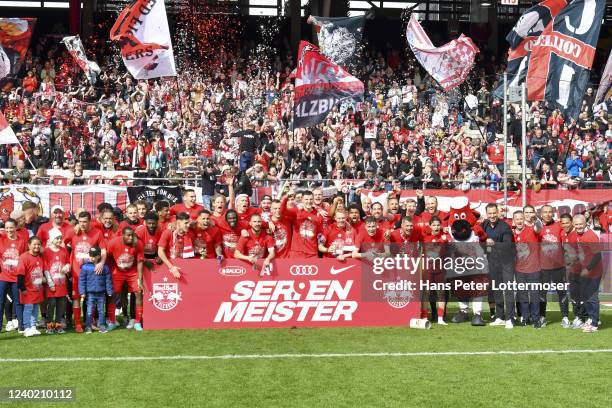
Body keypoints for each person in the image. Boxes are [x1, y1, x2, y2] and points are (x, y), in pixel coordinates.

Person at [63, 211, 107, 333]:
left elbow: (103, 250)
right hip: (77, 272)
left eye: (85, 222)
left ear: (89, 221)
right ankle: (77, 323)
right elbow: (61, 244)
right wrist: (66, 262)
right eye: (80, 222)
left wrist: (101, 263)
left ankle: (90, 322)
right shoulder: (72, 231)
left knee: (91, 298)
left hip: (92, 272)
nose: (82, 224)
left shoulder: (97, 233)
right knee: (76, 297)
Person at [566, 214, 602, 333]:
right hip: (583, 272)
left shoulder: (591, 236)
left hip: (593, 272)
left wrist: (588, 268)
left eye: (580, 224)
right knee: (586, 296)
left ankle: (595, 324)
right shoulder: (575, 235)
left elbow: (597, 255)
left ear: (585, 223)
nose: (578, 226)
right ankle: (592, 319)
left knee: (592, 297)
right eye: (576, 224)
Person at [482, 203, 516, 328]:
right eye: (489, 213)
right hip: (493, 263)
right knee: (496, 289)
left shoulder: (505, 227)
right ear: (486, 214)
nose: (492, 215)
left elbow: (507, 246)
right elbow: (477, 232)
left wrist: (492, 243)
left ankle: (510, 319)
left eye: (494, 213)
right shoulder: (484, 224)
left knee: (508, 290)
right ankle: (500, 317)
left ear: (498, 213)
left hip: (506, 262)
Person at [106, 227, 144, 331]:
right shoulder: (113, 242)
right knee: (113, 294)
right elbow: (108, 256)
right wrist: (110, 271)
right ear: (122, 235)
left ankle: (137, 322)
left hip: (132, 272)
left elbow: (140, 261)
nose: (131, 237)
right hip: (117, 271)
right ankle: (112, 321)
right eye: (128, 235)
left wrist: (140, 279)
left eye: (132, 235)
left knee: (138, 293)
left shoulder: (138, 243)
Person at [537, 205, 570, 328]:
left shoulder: (558, 226)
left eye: (550, 212)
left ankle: (565, 317)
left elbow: (566, 239)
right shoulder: (537, 227)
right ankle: (542, 317)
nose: (547, 214)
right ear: (541, 213)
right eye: (545, 212)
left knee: (562, 293)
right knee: (541, 294)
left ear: (553, 213)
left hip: (558, 267)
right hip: (542, 268)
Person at [512, 211, 542, 328]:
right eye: (517, 219)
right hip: (519, 270)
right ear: (514, 220)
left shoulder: (531, 230)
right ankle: (525, 317)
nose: (519, 221)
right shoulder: (512, 234)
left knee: (534, 295)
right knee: (523, 295)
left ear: (524, 219)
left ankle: (536, 319)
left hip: (534, 269)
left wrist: (536, 219)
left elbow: (539, 228)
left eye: (521, 219)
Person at [0, 219, 28, 334]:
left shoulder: (22, 241)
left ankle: (21, 326)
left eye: (11, 227)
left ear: (16, 227)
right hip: (3, 277)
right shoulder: (1, 239)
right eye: (6, 228)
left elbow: (24, 258)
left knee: (18, 301)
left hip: (16, 277)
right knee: (0, 301)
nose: (9, 230)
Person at [422, 216, 451, 325]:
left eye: (438, 225)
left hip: (441, 270)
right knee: (426, 293)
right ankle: (425, 317)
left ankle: (440, 318)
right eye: (434, 225)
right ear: (430, 226)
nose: (436, 227)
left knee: (441, 294)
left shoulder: (445, 238)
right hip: (428, 270)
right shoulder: (425, 238)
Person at [78, 247, 113, 334]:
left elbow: (108, 280)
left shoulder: (104, 267)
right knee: (89, 310)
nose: (92, 258)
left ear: (98, 256)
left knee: (101, 311)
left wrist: (109, 291)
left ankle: (102, 326)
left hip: (101, 293)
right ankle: (88, 326)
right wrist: (82, 292)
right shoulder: (85, 267)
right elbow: (82, 280)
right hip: (90, 294)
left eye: (94, 256)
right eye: (90, 256)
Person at [42, 228, 70, 334]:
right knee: (52, 304)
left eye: (60, 238)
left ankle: (58, 325)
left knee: (61, 304)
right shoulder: (46, 251)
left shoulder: (63, 250)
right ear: (52, 239)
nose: (59, 240)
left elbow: (68, 262)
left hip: (62, 284)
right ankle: (49, 325)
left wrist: (67, 267)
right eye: (57, 238)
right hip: (52, 284)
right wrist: (50, 283)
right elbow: (45, 269)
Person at [16, 237, 45, 337]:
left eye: (38, 244)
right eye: (34, 244)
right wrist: (22, 288)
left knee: (35, 309)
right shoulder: (23, 257)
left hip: (37, 289)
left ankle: (33, 326)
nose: (37, 246)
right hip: (27, 289)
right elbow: (20, 275)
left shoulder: (39, 257)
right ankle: (27, 327)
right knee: (28, 308)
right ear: (29, 245)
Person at [281, 190, 323, 258]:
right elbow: (282, 211)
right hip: (296, 252)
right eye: (306, 199)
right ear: (302, 200)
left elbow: (320, 234)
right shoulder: (296, 211)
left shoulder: (318, 215)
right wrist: (285, 198)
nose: (309, 201)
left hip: (312, 253)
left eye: (311, 199)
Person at [158, 212, 195, 278]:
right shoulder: (168, 233)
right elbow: (160, 251)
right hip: (169, 267)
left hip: (185, 267)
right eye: (186, 223)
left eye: (189, 223)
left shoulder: (190, 234)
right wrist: (171, 267)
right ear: (178, 222)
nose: (188, 225)